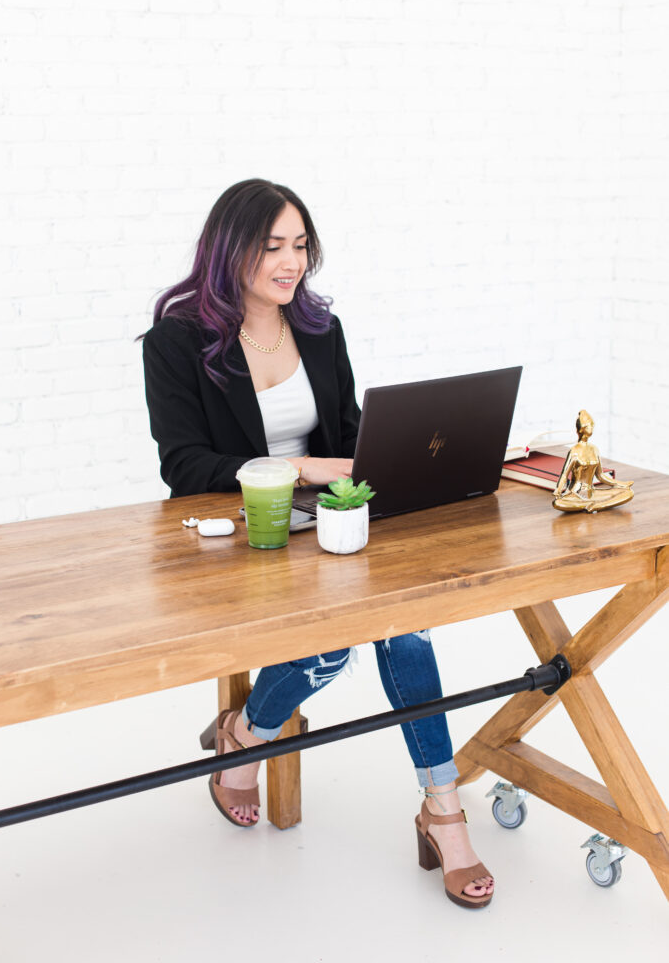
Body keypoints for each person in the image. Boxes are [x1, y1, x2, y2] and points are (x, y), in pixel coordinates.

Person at [141, 179, 494, 909]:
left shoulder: (319, 330)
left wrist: (406, 449)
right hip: (243, 534)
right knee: (328, 651)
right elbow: (183, 466)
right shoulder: (177, 341)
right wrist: (298, 468)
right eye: (271, 245)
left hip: (328, 522)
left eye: (299, 245)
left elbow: (346, 430)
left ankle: (443, 811)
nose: (290, 261)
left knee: (407, 629)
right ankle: (248, 731)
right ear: (227, 247)